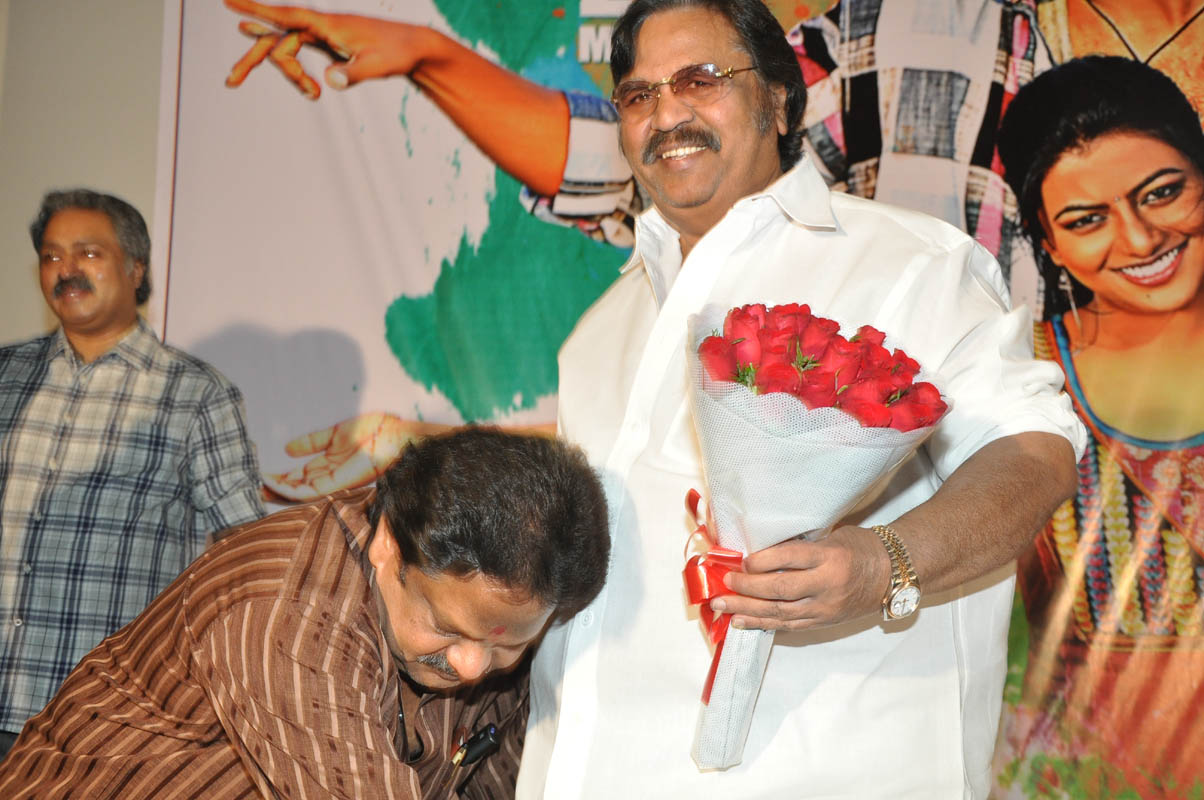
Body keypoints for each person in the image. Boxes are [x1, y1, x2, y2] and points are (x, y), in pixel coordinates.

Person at [516, 1, 1084, 797]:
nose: (666, 114)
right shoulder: (599, 333)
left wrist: (883, 563)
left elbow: (1035, 454)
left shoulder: (907, 263)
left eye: (700, 79)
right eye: (639, 95)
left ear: (779, 101)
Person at [0, 427, 611, 798]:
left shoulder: (500, 618)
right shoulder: (288, 613)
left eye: (510, 646)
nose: (474, 666)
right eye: (446, 628)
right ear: (388, 546)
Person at [992, 56, 1204, 798]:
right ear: (1048, 244)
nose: (1141, 239)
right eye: (1086, 221)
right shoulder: (1028, 382)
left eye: (1164, 192)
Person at [0, 189, 266, 758]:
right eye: (52, 256)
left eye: (88, 252)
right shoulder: (6, 376)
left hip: (96, 719)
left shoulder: (195, 394)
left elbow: (243, 552)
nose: (66, 269)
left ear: (135, 269)